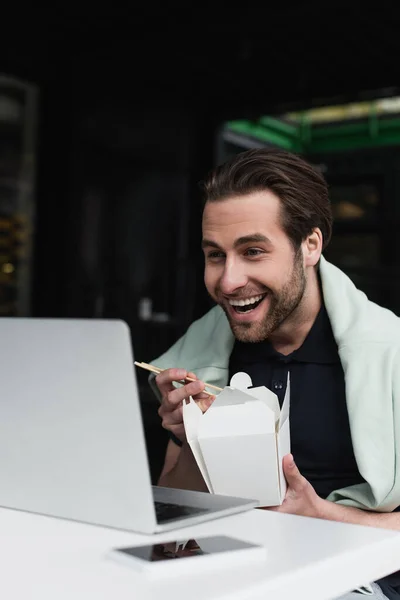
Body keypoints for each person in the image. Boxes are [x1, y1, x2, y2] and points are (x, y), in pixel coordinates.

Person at [149, 149, 400, 599]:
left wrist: (322, 515)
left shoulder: (389, 352)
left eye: (253, 251)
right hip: (230, 570)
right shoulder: (205, 346)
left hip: (357, 576)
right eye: (215, 255)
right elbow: (173, 503)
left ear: (311, 245)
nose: (228, 281)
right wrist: (191, 439)